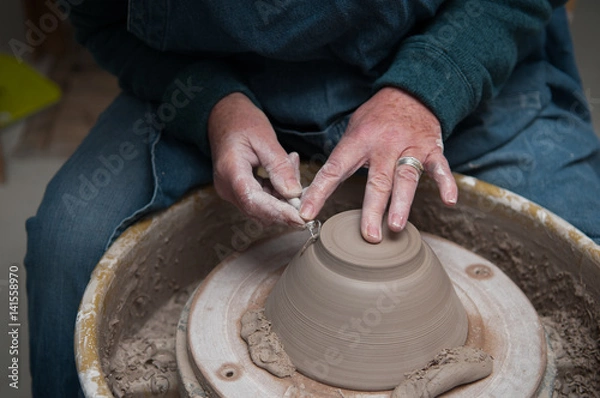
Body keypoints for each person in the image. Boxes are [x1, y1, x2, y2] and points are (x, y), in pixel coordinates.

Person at [25, 0, 600, 396]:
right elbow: (98, 18)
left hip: (451, 58)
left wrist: (429, 88)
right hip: (226, 84)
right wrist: (207, 105)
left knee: (584, 245)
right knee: (66, 241)